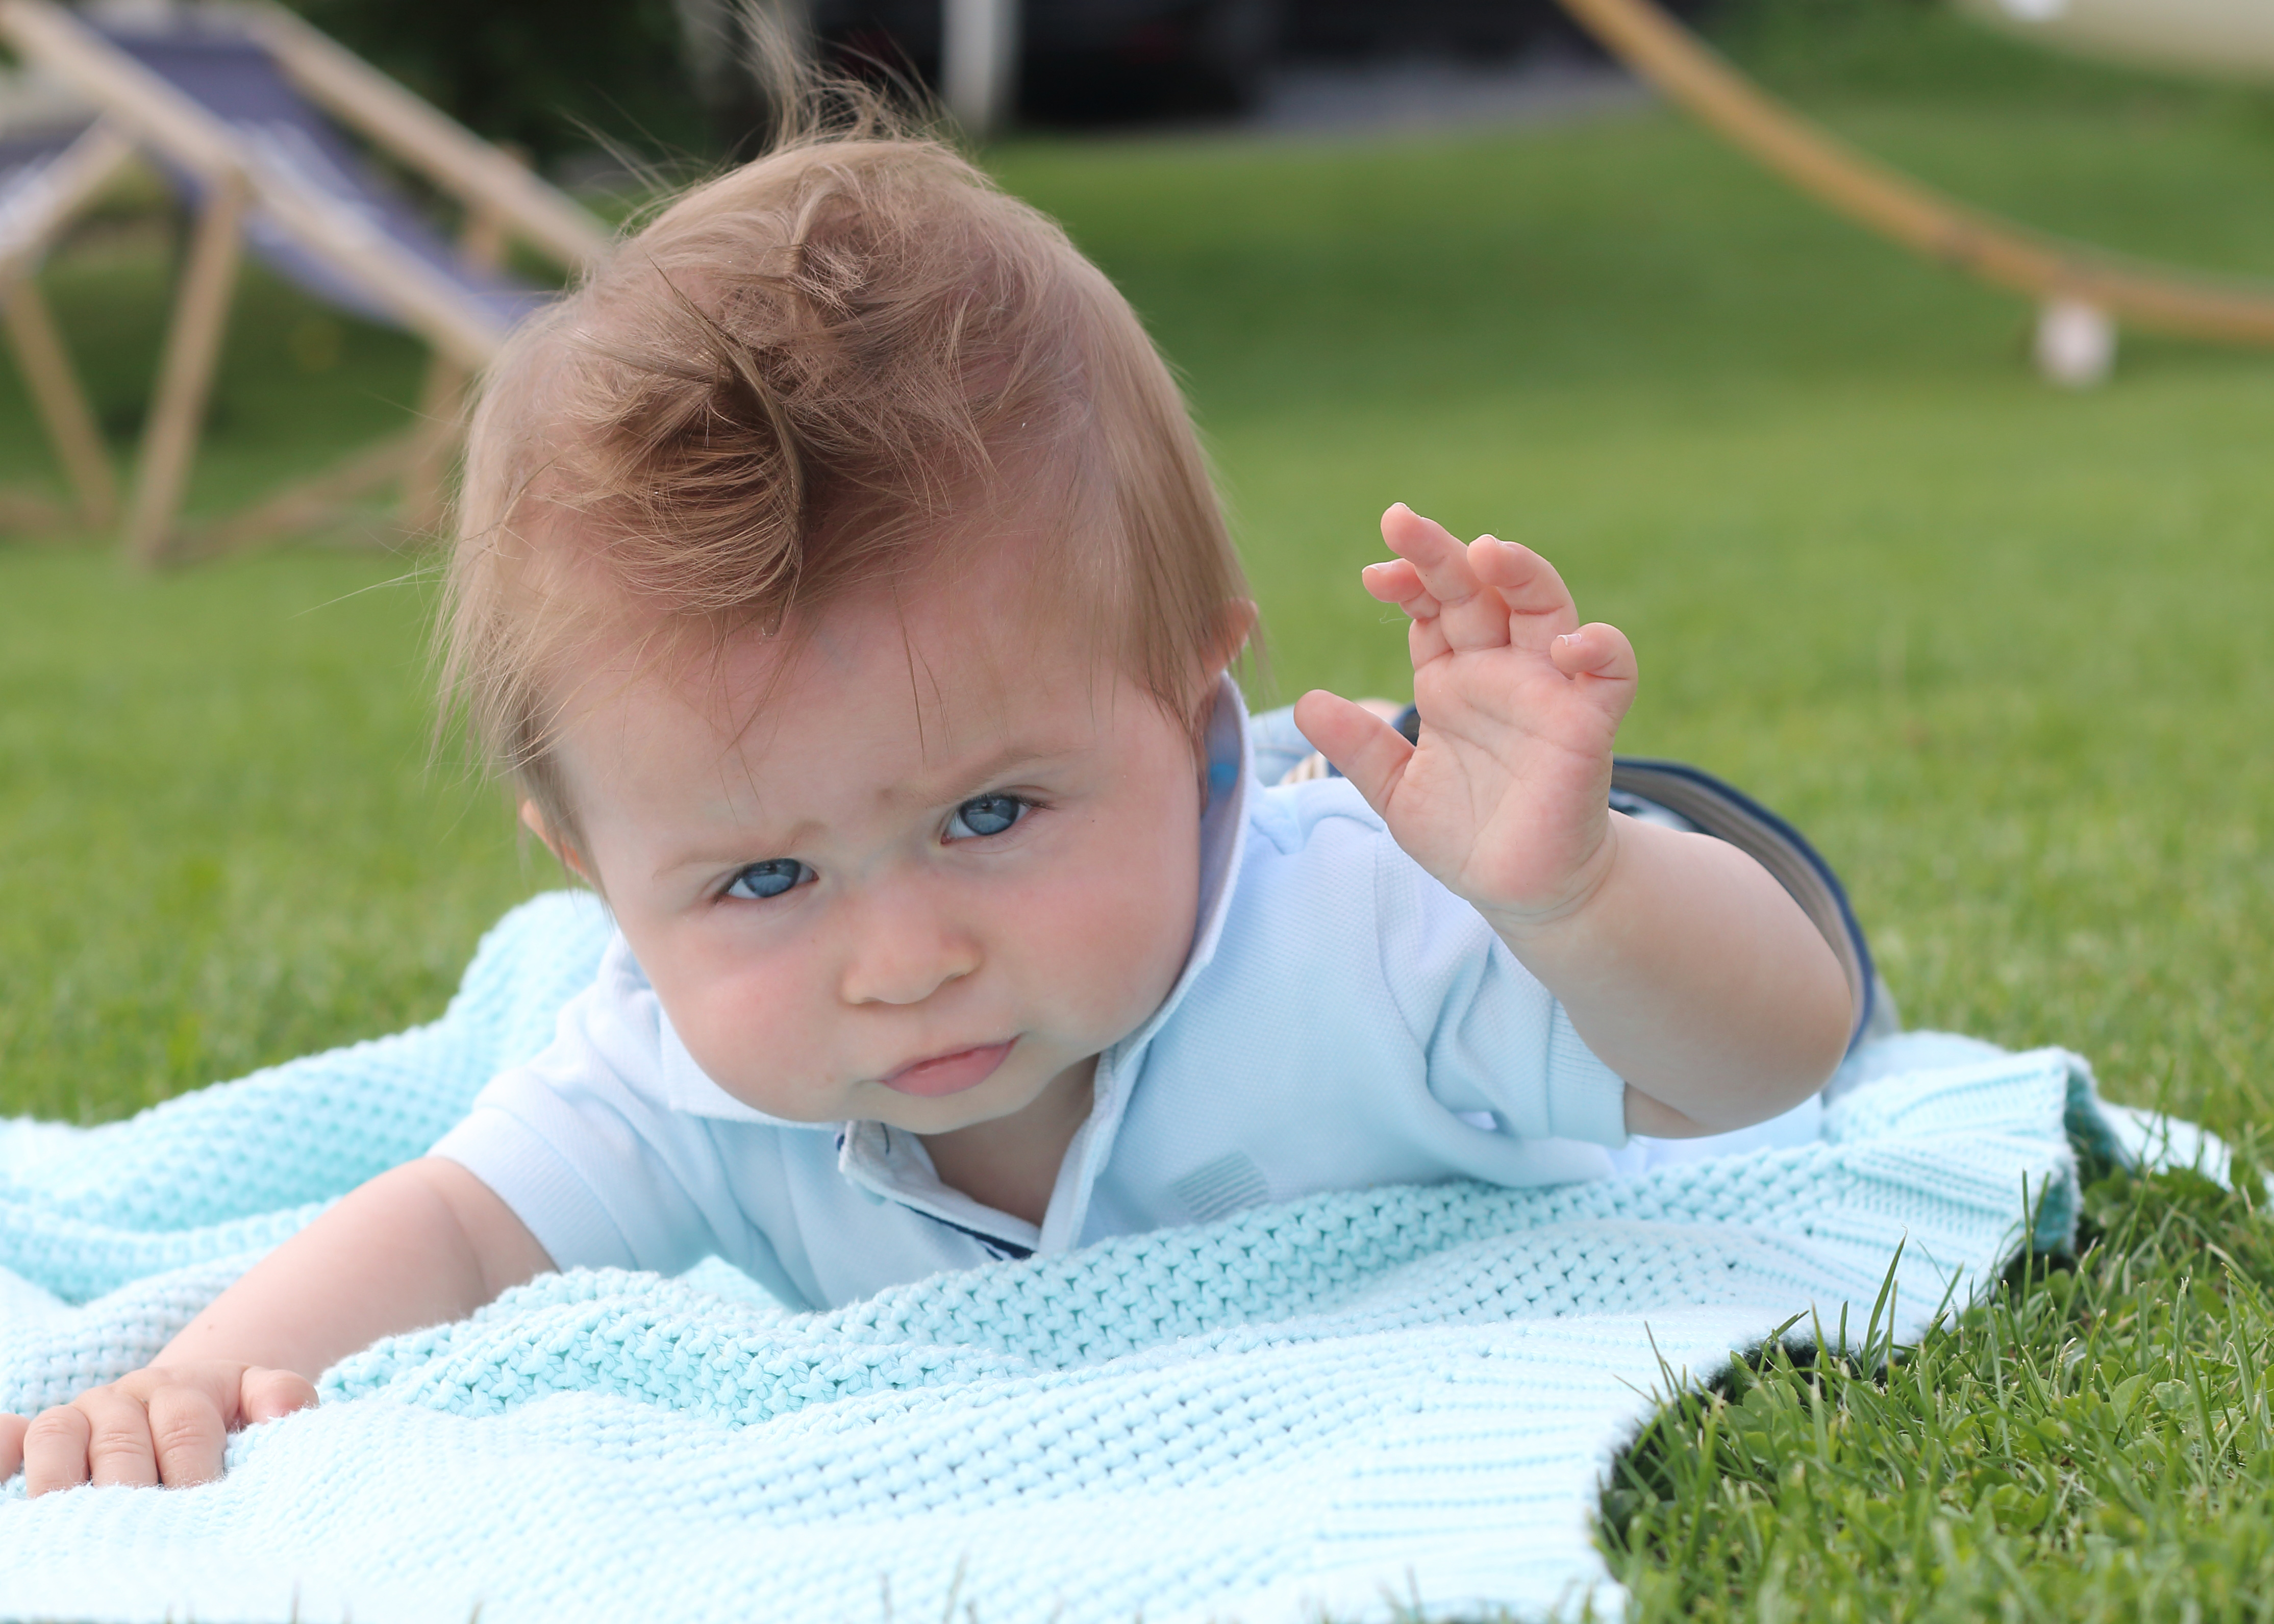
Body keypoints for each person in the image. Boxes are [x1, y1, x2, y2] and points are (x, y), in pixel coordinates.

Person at [1, 109, 1852, 1496]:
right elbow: (461, 1228)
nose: (899, 963)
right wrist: (191, 1382)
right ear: (597, 877)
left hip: (1525, 855)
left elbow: (1767, 1060)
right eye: (762, 879)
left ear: (1187, 699)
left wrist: (1570, 895)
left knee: (1615, 872)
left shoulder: (1357, 933)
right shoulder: (677, 1071)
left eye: (988, 818)